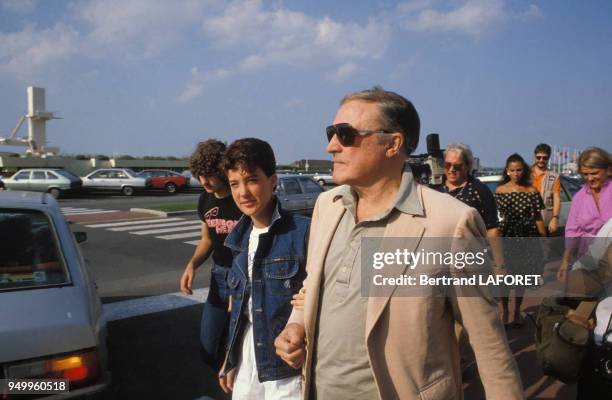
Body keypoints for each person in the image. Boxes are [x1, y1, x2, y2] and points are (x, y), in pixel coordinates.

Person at [275, 87, 523, 399]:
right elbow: (314, 285)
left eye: (345, 134)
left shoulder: (450, 223)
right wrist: (297, 325)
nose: (330, 147)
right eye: (331, 133)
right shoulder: (328, 205)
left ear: (393, 144)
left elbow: (489, 345)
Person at [218, 138, 309, 399]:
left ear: (273, 180)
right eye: (235, 183)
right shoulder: (237, 241)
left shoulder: (302, 232)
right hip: (248, 358)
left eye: (252, 180)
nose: (243, 192)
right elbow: (240, 311)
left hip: (287, 365)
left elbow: (317, 295)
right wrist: (230, 357)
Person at [179, 139, 242, 370]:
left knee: (238, 351)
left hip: (243, 278)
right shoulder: (205, 199)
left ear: (223, 171)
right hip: (219, 277)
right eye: (199, 174)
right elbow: (206, 240)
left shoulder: (241, 198)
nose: (203, 180)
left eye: (208, 174)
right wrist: (192, 265)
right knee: (209, 348)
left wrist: (241, 288)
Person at [495, 153, 546, 328]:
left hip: (526, 237)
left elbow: (538, 217)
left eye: (519, 170)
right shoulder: (500, 190)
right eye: (512, 170)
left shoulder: (531, 191)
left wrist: (544, 239)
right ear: (507, 171)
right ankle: (504, 310)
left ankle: (516, 310)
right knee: (504, 278)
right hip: (506, 236)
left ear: (523, 171)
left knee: (520, 278)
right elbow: (497, 218)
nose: (516, 173)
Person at [558, 146, 611, 282]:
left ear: (608, 170)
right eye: (585, 174)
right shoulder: (579, 197)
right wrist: (565, 262)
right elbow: (573, 232)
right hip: (589, 258)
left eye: (594, 173)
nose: (590, 178)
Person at [531, 143, 561, 234]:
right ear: (534, 156)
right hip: (526, 220)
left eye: (544, 158)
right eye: (538, 157)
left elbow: (557, 198)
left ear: (549, 158)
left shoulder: (554, 176)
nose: (541, 160)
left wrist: (555, 218)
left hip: (545, 221)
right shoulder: (525, 174)